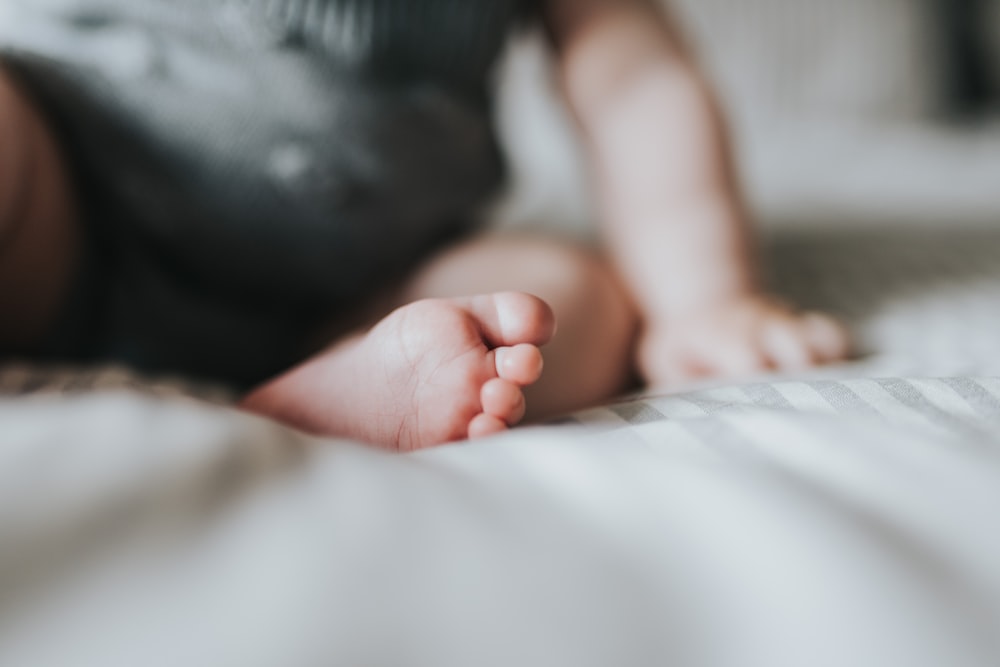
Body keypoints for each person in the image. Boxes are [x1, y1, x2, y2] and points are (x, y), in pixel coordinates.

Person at [0, 0, 848, 451]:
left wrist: (706, 298)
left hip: (364, 295)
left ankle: (336, 396)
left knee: (562, 300)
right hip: (70, 218)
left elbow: (635, 83)